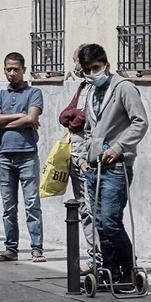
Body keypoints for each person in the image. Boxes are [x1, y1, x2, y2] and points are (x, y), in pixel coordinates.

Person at [79, 44, 148, 286]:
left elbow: (140, 123)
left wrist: (118, 148)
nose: (92, 73)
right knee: (98, 222)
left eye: (96, 68)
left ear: (106, 65)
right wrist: (84, 157)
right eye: (87, 70)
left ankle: (129, 267)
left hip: (116, 167)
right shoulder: (90, 92)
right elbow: (89, 129)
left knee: (110, 220)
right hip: (93, 166)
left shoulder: (124, 88)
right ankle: (110, 272)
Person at [0, 52, 45, 263]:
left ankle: (37, 248)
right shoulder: (0, 95)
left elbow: (32, 117)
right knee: (8, 206)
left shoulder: (34, 92)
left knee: (31, 204)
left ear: (24, 69)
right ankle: (10, 248)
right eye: (8, 69)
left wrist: (7, 121)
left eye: (16, 69)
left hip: (27, 155)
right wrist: (20, 117)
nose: (12, 73)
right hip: (5, 156)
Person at [58, 46, 96, 272]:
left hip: (87, 154)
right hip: (76, 152)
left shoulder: (95, 87)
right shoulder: (82, 86)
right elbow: (66, 113)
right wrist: (70, 117)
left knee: (91, 208)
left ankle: (98, 258)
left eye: (76, 61)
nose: (74, 66)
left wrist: (72, 118)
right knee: (83, 208)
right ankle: (94, 256)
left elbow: (80, 118)